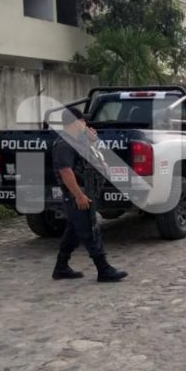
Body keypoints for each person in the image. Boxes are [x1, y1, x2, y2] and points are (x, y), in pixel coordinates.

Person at [52, 107, 128, 283]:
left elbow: (95, 158)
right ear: (74, 122)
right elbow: (66, 172)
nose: (85, 124)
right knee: (90, 230)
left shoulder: (77, 141)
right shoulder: (65, 144)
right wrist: (78, 195)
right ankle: (104, 269)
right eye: (82, 121)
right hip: (76, 195)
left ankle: (61, 267)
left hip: (85, 192)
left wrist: (93, 141)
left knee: (73, 231)